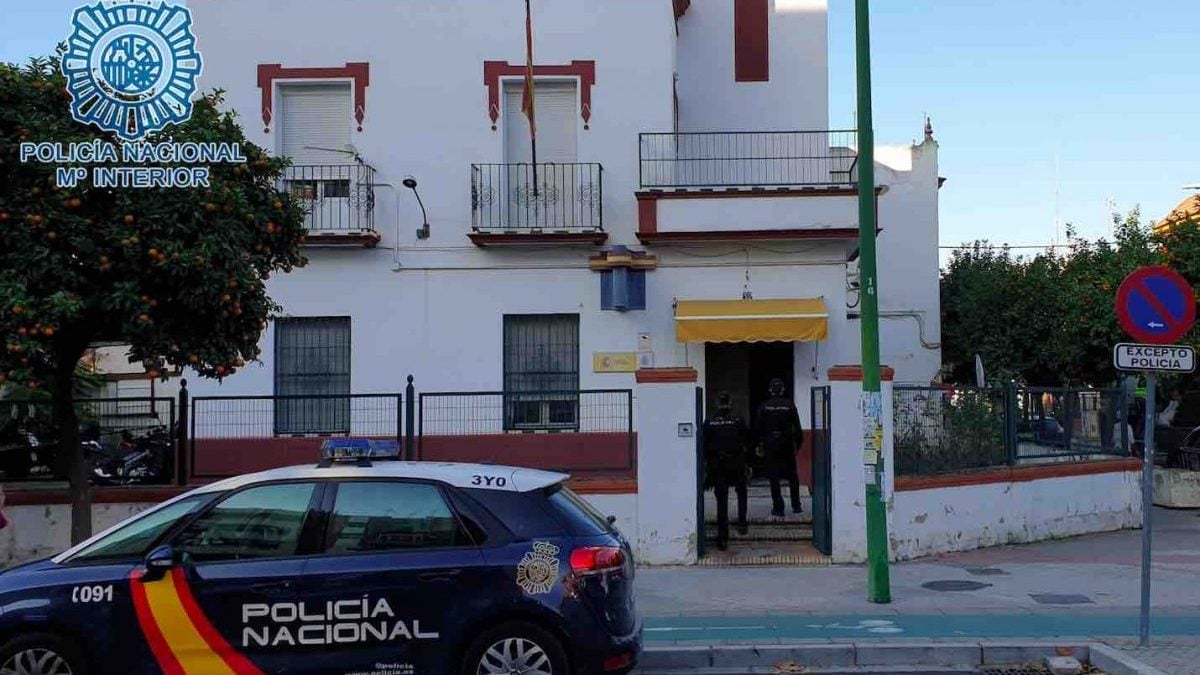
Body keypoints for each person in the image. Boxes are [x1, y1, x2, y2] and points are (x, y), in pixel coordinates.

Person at [702, 391, 750, 550]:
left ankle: (723, 538)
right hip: (736, 463)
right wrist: (748, 463)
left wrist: (707, 468)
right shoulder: (738, 420)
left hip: (718, 465)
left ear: (717, 403)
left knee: (721, 501)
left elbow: (704, 447)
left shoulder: (709, 422)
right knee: (741, 492)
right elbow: (747, 441)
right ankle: (742, 524)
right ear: (730, 403)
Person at [756, 377, 804, 517]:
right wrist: (797, 446)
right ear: (782, 390)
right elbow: (798, 429)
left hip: (771, 445)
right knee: (792, 477)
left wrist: (760, 445)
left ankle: (778, 508)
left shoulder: (764, 407)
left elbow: (758, 429)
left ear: (770, 391)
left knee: (774, 478)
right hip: (787, 445)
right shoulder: (789, 405)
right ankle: (796, 506)